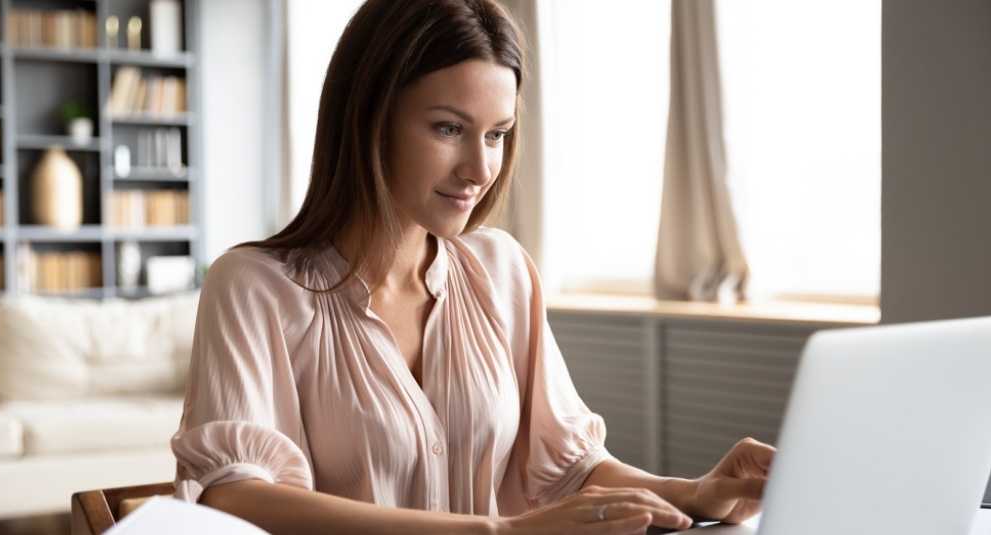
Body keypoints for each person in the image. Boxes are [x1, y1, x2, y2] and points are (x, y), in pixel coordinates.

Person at [170, 0, 775, 533]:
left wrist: (695, 493)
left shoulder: (502, 268)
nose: (480, 170)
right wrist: (497, 532)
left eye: (497, 135)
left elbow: (570, 468)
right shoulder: (253, 287)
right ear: (368, 118)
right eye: (449, 128)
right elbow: (238, 498)